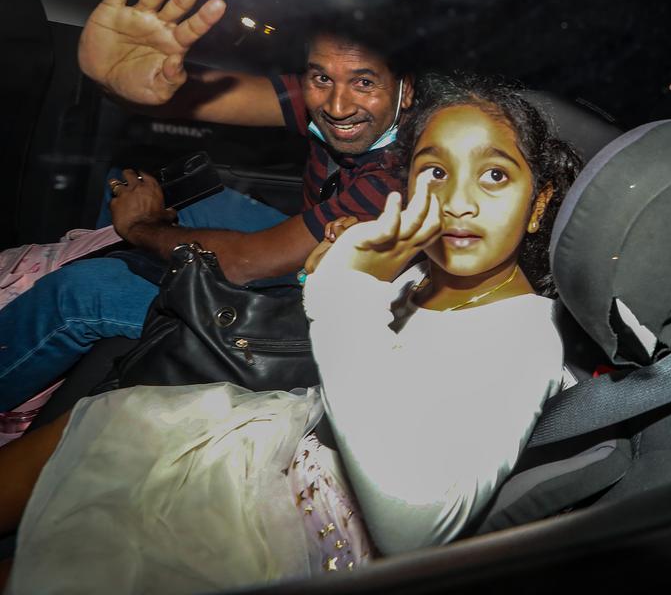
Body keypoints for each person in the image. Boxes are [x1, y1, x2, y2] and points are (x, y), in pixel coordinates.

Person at [0, 73, 582, 594]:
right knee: (102, 427)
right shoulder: (430, 270)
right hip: (285, 437)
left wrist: (349, 294)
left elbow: (413, 524)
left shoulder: (525, 338)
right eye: (435, 170)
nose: (456, 200)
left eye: (495, 175)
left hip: (306, 526)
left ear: (540, 203)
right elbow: (366, 351)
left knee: (85, 550)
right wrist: (348, 277)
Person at [0, 0, 414, 411]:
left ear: (406, 89)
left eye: (364, 83)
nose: (337, 106)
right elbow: (198, 98)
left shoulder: (401, 176)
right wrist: (119, 81)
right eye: (322, 77)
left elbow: (249, 263)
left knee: (82, 293)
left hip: (319, 317)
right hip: (304, 254)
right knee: (136, 186)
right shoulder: (327, 97)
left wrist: (143, 229)